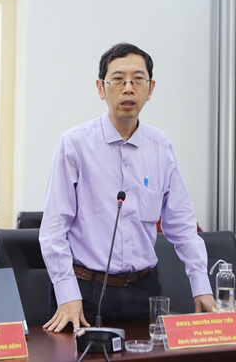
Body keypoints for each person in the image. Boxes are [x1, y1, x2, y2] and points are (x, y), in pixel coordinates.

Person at [39, 43, 216, 333]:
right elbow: (54, 229)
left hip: (143, 290)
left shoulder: (160, 147)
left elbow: (182, 224)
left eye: (138, 80)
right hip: (84, 292)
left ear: (150, 88)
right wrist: (67, 293)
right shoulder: (75, 145)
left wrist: (201, 285)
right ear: (101, 88)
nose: (128, 88)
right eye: (118, 79)